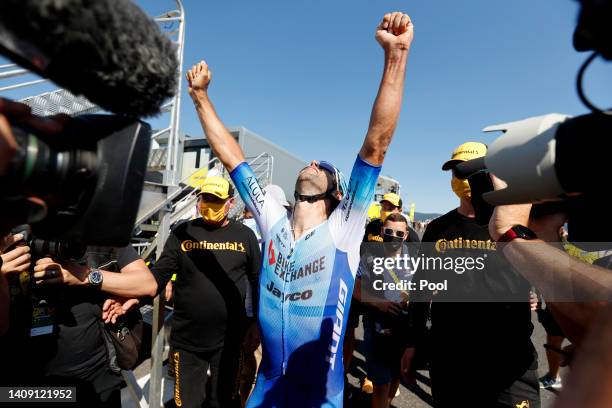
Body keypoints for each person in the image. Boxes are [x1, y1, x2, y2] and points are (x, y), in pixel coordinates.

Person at [185, 10, 414, 407]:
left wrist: (396, 56)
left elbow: (376, 144)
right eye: (312, 162)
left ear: (338, 193)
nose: (313, 164)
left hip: (318, 396)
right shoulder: (272, 219)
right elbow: (233, 159)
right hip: (267, 385)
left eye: (324, 168)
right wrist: (201, 98)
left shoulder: (345, 228)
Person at [409, 141, 540, 408]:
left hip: (510, 356)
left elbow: (546, 268)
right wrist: (413, 343)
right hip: (451, 356)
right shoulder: (437, 228)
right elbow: (420, 290)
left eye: (474, 169)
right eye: (458, 170)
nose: (465, 177)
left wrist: (537, 292)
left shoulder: (518, 222)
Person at [0, 236, 156, 407]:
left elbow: (148, 284)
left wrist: (83, 275)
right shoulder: (8, 244)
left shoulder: (98, 235)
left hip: (97, 380)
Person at [151, 176, 261, 408]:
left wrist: (255, 323)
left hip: (230, 340)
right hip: (187, 340)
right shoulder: (183, 232)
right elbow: (159, 274)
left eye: (216, 200)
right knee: (187, 403)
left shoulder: (245, 236)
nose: (209, 204)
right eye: (205, 198)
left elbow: (256, 281)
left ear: (230, 203)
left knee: (224, 400)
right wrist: (131, 295)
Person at [356, 213, 414, 408]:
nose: (393, 236)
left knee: (396, 376)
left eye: (399, 233)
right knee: (380, 383)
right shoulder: (369, 255)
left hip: (404, 326)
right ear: (382, 232)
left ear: (405, 235)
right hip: (376, 324)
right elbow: (355, 287)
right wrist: (378, 303)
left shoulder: (415, 257)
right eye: (389, 232)